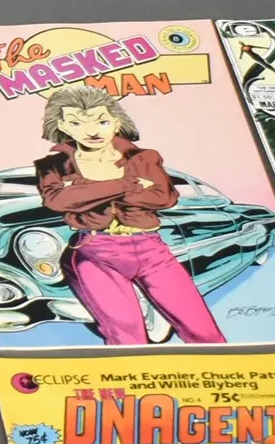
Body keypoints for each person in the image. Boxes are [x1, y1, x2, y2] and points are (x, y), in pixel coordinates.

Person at [30, 85, 219, 345]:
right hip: (95, 252)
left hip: (151, 249)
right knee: (126, 338)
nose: (92, 131)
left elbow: (164, 196)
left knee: (202, 329)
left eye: (102, 121)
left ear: (116, 121)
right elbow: (58, 201)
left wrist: (85, 191)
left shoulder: (143, 158)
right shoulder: (51, 165)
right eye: (76, 123)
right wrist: (127, 184)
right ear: (63, 126)